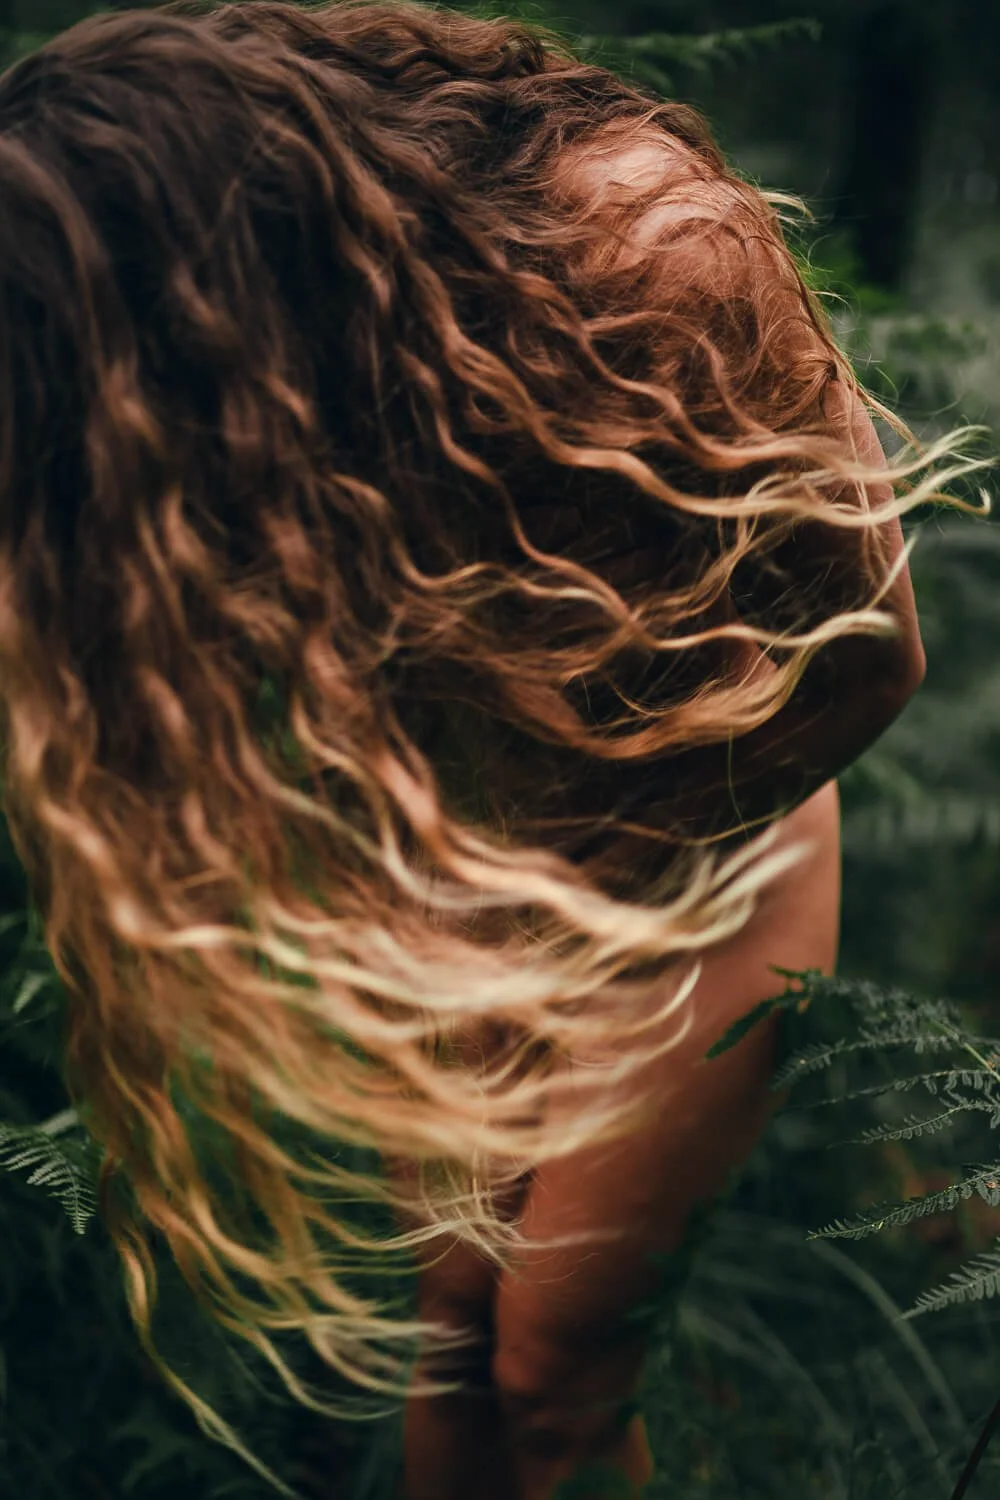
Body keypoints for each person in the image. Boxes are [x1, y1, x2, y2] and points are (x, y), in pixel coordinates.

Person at [0, 3, 984, 1498]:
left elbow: (873, 661)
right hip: (481, 856)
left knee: (557, 1371)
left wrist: (588, 882)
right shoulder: (299, 357)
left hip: (713, 838)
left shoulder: (650, 246)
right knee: (452, 1335)